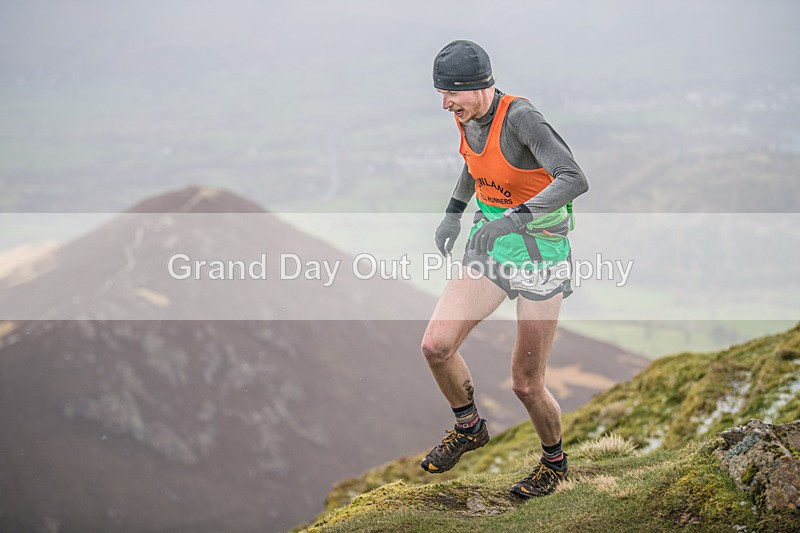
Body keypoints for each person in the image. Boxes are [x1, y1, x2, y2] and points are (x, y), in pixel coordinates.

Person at [419, 40, 589, 498]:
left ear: (477, 87)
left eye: (450, 93)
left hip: (540, 256)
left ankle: (554, 464)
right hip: (490, 247)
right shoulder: (466, 116)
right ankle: (469, 427)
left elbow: (574, 178)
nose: (444, 104)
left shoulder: (521, 119)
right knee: (436, 346)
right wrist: (453, 213)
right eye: (441, 94)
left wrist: (513, 220)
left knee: (526, 384)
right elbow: (475, 164)